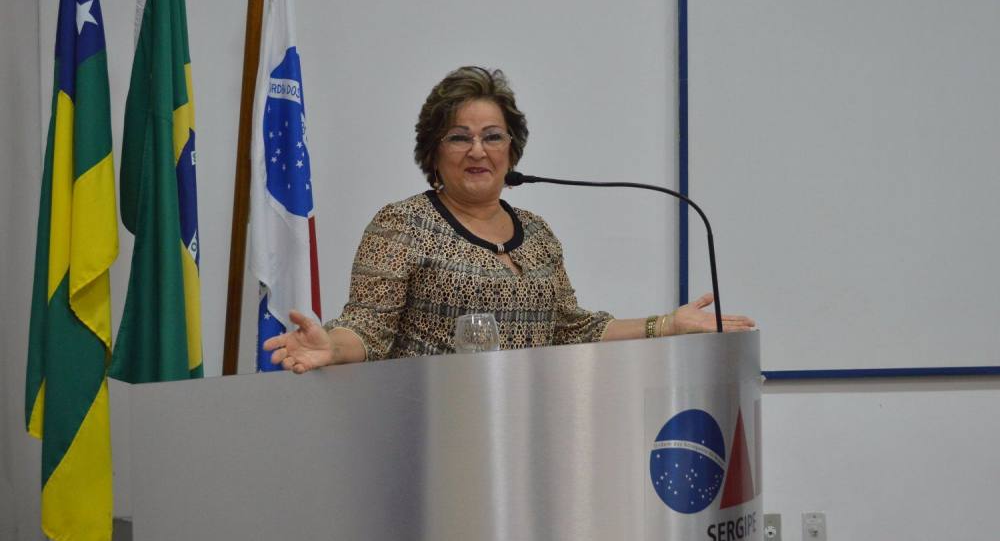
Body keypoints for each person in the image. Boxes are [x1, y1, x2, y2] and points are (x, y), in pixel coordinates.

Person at [265, 66, 754, 373]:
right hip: (431, 434)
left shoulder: (537, 234)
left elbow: (571, 330)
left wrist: (668, 325)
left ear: (511, 151)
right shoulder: (402, 224)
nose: (478, 150)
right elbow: (368, 328)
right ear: (433, 152)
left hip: (528, 431)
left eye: (493, 136)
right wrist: (331, 346)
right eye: (460, 137)